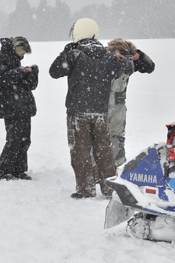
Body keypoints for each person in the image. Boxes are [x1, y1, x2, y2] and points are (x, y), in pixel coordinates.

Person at [49, 18, 126, 199]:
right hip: (100, 112)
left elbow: (54, 72)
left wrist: (67, 51)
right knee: (104, 150)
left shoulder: (74, 54)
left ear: (77, 33)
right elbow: (118, 70)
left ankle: (86, 189)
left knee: (80, 151)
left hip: (78, 112)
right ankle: (110, 189)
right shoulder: (108, 56)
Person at [0, 36, 38, 181]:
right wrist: (23, 71)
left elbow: (25, 84)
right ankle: (2, 171)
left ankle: (18, 170)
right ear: (16, 48)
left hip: (22, 106)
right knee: (14, 139)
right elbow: (3, 80)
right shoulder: (0, 58)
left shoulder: (15, 60)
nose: (23, 55)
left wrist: (32, 73)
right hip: (11, 107)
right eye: (23, 51)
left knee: (25, 139)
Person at [105, 38, 155, 167]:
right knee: (99, 138)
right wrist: (110, 58)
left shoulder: (130, 63)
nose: (123, 60)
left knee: (117, 138)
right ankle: (97, 169)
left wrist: (139, 55)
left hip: (118, 106)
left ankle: (117, 167)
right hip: (101, 104)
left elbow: (150, 67)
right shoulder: (102, 59)